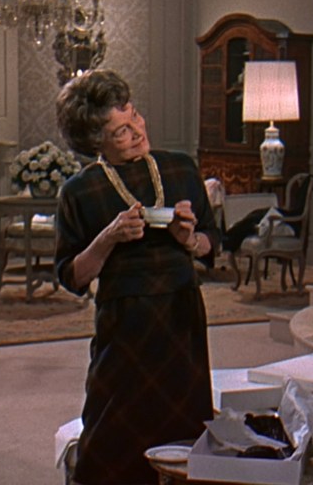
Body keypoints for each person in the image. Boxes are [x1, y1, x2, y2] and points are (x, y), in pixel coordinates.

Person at [54, 69, 219, 484]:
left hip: (181, 317)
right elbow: (72, 276)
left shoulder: (180, 168)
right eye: (121, 131)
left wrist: (189, 239)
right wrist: (107, 239)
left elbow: (215, 243)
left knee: (185, 435)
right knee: (112, 439)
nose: (137, 131)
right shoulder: (79, 191)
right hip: (125, 325)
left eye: (135, 117)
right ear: (96, 143)